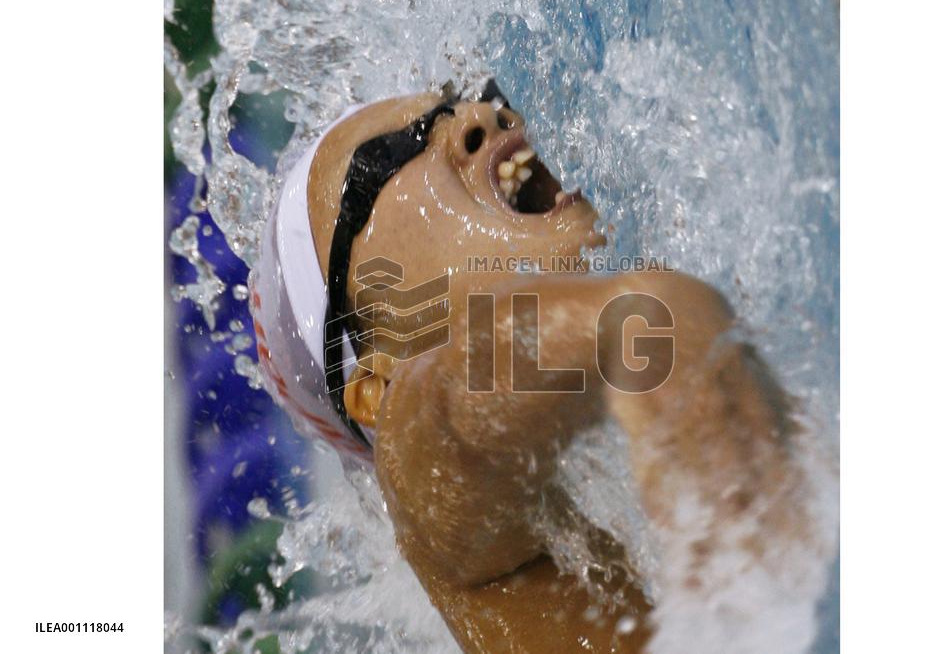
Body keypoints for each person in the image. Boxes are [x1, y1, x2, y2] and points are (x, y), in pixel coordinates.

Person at [250, 84, 812, 653]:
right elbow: (449, 408)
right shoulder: (428, 496)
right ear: (374, 386)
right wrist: (628, 331)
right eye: (390, 155)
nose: (477, 116)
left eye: (464, 95)